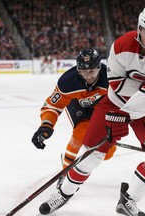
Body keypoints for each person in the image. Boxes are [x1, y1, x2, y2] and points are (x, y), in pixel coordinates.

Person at [38, 4, 145, 216]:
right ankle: (64, 193)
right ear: (139, 28)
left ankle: (128, 200)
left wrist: (127, 115)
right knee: (93, 153)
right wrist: (124, 113)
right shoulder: (121, 45)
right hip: (114, 103)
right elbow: (117, 85)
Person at [32, 48, 117, 189]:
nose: (88, 76)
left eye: (91, 72)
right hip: (78, 107)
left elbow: (124, 100)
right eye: (83, 72)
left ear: (99, 67)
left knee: (107, 154)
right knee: (80, 135)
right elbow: (52, 106)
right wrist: (46, 125)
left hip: (102, 110)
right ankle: (66, 172)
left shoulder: (111, 77)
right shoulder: (67, 81)